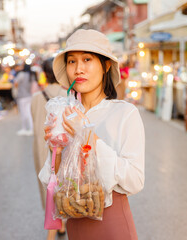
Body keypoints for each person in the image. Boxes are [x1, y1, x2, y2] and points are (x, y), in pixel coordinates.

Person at [39, 29, 145, 240]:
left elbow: (135, 181)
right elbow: (51, 182)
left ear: (106, 65)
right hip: (75, 223)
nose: (78, 69)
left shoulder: (124, 113)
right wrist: (56, 150)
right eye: (71, 61)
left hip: (113, 225)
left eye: (87, 59)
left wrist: (89, 138)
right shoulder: (65, 114)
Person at [31, 58, 67, 240]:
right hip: (63, 147)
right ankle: (58, 228)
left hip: (41, 147)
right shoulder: (68, 95)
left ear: (44, 74)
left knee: (48, 187)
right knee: (64, 185)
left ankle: (55, 228)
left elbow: (34, 120)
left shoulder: (36, 97)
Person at [15, 63, 34, 136]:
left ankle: (24, 128)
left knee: (23, 113)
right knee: (29, 113)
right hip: (29, 96)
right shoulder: (31, 75)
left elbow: (15, 83)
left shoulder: (21, 75)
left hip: (22, 96)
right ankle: (31, 128)